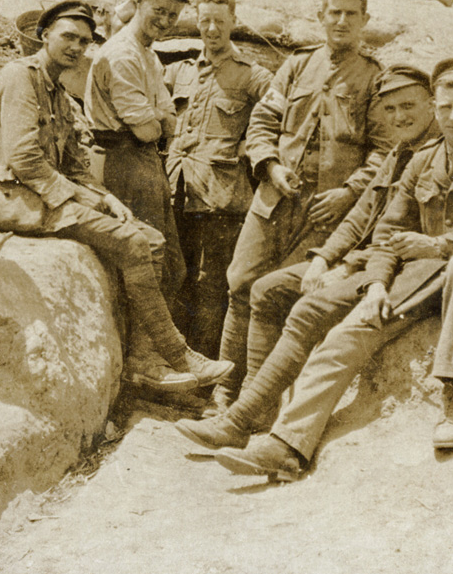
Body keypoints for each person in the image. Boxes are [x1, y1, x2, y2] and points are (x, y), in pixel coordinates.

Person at [213, 58, 453, 480]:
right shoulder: (424, 160)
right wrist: (378, 285)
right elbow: (388, 231)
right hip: (423, 279)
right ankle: (287, 446)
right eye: (446, 107)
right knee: (349, 332)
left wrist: (441, 244)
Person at [176, 65, 438, 448]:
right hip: (370, 259)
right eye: (391, 109)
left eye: (408, 106)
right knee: (264, 288)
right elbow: (363, 214)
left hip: (402, 271)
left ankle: (242, 418)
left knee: (302, 305)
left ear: (432, 104)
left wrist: (346, 266)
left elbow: (400, 237)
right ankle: (252, 411)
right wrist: (322, 259)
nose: (399, 117)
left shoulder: (435, 154)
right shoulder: (401, 150)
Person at [0, 1, 232, 393]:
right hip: (21, 201)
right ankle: (174, 355)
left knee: (152, 239)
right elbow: (23, 157)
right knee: (134, 240)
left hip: (48, 198)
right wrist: (79, 198)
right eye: (68, 37)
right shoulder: (20, 77)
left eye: (84, 42)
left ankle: (145, 359)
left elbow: (73, 162)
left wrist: (105, 197)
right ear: (44, 35)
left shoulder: (58, 90)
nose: (76, 47)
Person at [210, 0, 392, 415]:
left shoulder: (374, 78)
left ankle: (259, 405)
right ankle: (223, 392)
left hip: (325, 214)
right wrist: (271, 166)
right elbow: (262, 124)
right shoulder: (295, 66)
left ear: (365, 21)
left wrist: (349, 193)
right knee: (240, 285)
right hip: (273, 201)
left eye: (351, 14)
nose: (342, 21)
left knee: (284, 298)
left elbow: (384, 151)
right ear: (321, 17)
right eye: (334, 12)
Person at [86, 0, 196, 380]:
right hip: (121, 161)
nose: (164, 21)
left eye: (173, 15)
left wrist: (158, 122)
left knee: (173, 267)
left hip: (145, 163)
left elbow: (168, 119)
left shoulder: (148, 56)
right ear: (137, 4)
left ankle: (155, 356)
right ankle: (143, 362)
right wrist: (158, 122)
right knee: (148, 262)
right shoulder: (122, 55)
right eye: (158, 11)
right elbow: (149, 128)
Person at [164, 0, 273, 356]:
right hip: (176, 190)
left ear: (233, 22)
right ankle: (177, 361)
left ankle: (208, 365)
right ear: (196, 21)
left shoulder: (253, 76)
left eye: (220, 21)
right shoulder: (180, 71)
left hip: (221, 200)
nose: (212, 29)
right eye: (205, 20)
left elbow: (285, 117)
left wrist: (250, 145)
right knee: (174, 276)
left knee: (211, 285)